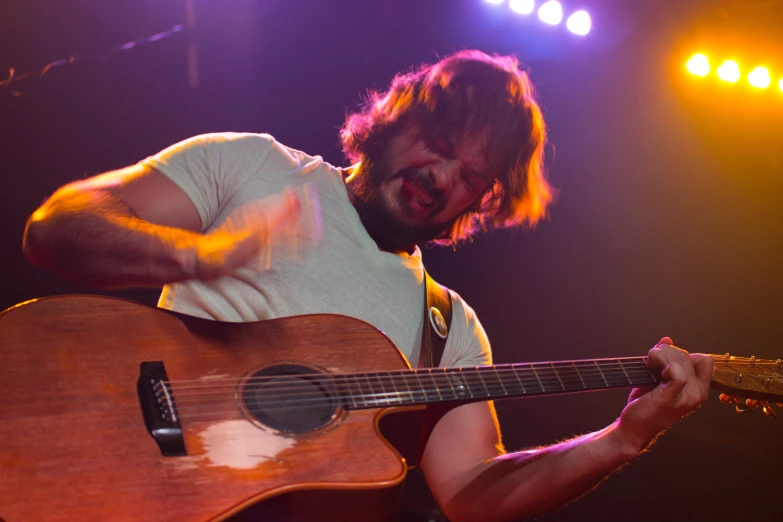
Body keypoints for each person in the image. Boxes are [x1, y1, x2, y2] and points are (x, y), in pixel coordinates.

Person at [21, 50, 713, 522]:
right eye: (438, 142)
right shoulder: (255, 167)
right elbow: (58, 227)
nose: (443, 178)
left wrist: (623, 437)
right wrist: (197, 258)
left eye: (472, 175)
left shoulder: (447, 327)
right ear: (396, 113)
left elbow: (473, 493)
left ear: (484, 201)